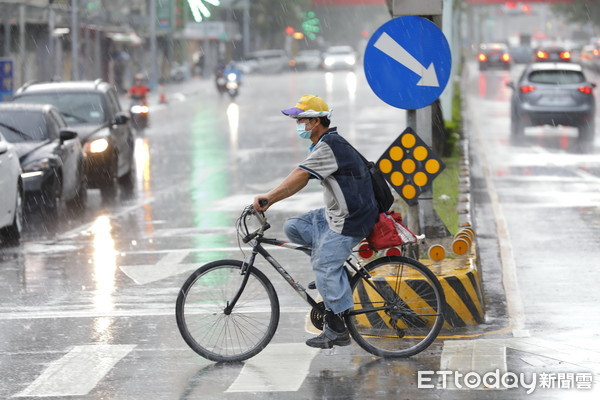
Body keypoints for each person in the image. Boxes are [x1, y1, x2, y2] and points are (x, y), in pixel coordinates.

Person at [253, 95, 378, 349]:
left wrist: (269, 198)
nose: (298, 124)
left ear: (317, 121)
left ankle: (337, 327)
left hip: (353, 217)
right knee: (294, 227)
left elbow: (299, 176)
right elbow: (300, 176)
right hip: (337, 214)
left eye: (302, 119)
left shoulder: (328, 146)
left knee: (322, 263)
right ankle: (333, 274)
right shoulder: (323, 144)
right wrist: (273, 197)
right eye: (297, 119)